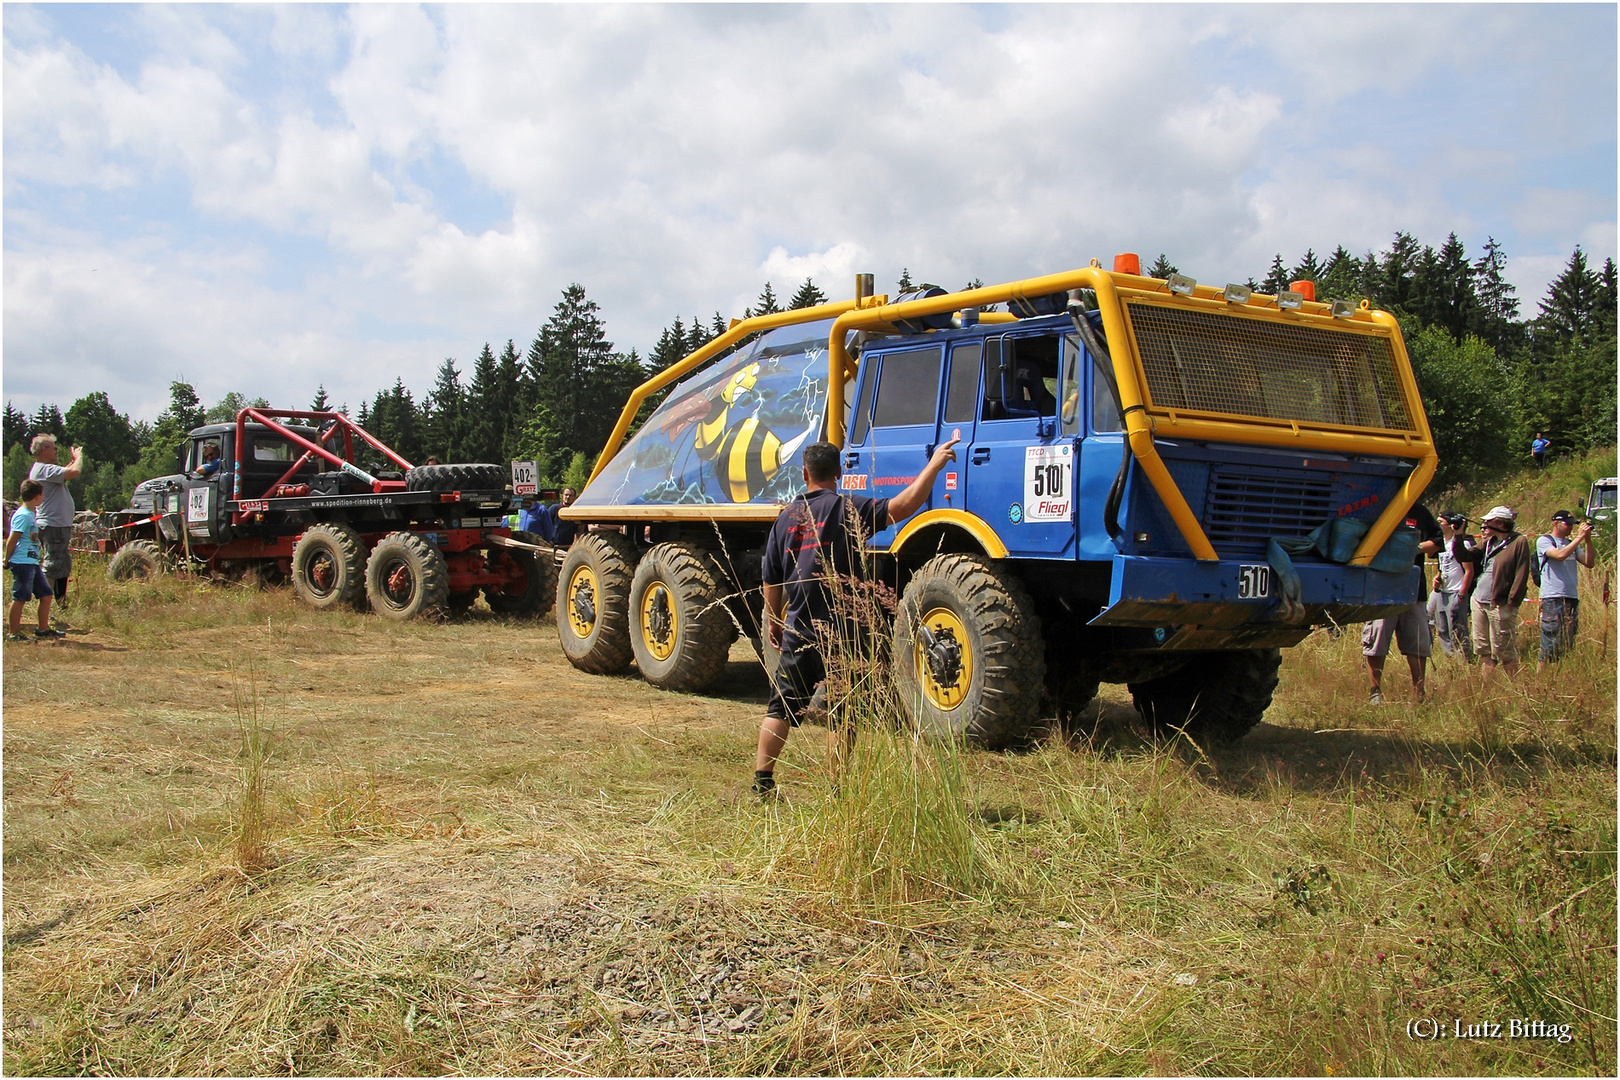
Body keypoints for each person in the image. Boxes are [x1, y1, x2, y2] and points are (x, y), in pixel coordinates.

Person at [753, 432, 961, 798]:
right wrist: (934, 465)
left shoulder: (786, 517)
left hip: (798, 627)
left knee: (781, 705)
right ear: (839, 473)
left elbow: (771, 577)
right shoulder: (848, 508)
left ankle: (762, 782)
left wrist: (773, 618)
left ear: (805, 473)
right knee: (843, 712)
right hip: (843, 632)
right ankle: (836, 790)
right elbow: (904, 504)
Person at [1363, 503, 1442, 704]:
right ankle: (1375, 692)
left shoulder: (1418, 511)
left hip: (1413, 590)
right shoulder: (1376, 507)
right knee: (1376, 642)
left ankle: (1419, 694)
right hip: (1381, 589)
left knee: (1417, 644)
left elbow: (1438, 540)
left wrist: (1414, 549)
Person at [1470, 505, 1531, 680]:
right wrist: (1459, 535)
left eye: (1489, 521)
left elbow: (1521, 573)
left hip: (1500, 603)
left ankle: (1515, 688)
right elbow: (1466, 555)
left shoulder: (1519, 542)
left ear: (1501, 523)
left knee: (1504, 650)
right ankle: (1486, 688)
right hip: (1479, 599)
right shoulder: (1489, 541)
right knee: (1484, 649)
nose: (1485, 525)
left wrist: (1511, 602)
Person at [27, 434, 82, 619]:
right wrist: (79, 457)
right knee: (52, 565)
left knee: (62, 565)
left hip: (56, 525)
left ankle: (59, 604)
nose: (56, 451)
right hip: (53, 525)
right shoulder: (43, 469)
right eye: (54, 448)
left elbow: (64, 473)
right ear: (44, 450)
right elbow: (74, 472)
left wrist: (72, 461)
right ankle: (46, 610)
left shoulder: (44, 470)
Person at [1536, 509, 1595, 668]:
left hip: (1571, 596)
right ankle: (1540, 678)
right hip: (1552, 597)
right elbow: (1560, 555)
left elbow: (1589, 562)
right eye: (1567, 524)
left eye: (1572, 524)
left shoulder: (1571, 544)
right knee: (1550, 642)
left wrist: (1588, 541)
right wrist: (1579, 537)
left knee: (1567, 641)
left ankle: (1557, 675)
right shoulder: (1545, 541)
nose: (1570, 527)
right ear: (1555, 523)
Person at [5, 479, 61, 640]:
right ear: (37, 497)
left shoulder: (30, 514)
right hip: (22, 562)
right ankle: (13, 633)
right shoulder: (23, 515)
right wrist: (6, 559)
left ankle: (43, 629)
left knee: (46, 594)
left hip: (31, 562)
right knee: (20, 598)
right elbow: (13, 539)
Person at [1427, 512, 1475, 660]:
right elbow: (1443, 567)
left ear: (1450, 525)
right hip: (1443, 590)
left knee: (1457, 627)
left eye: (1440, 522)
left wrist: (1462, 593)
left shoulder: (1462, 544)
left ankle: (1464, 659)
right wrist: (1438, 577)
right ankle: (1450, 659)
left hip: (1456, 591)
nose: (1437, 524)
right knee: (1442, 628)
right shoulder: (1442, 544)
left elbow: (1469, 571)